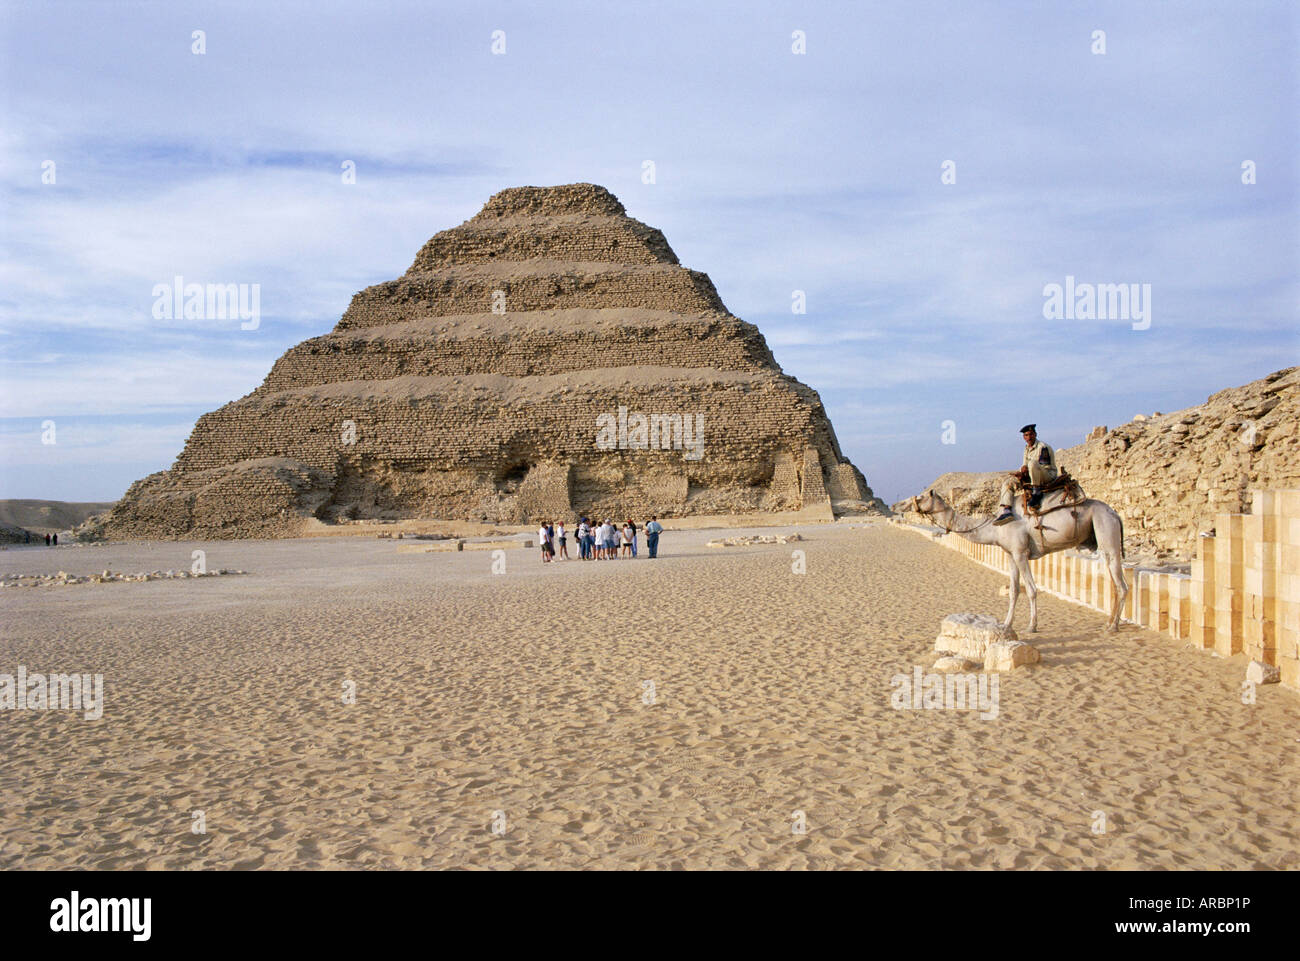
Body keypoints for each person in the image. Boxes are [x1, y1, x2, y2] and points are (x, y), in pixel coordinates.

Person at [994, 424, 1059, 525]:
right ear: (1023, 437)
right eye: (1026, 435)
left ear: (1035, 434)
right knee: (1008, 483)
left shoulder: (1043, 447)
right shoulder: (1026, 449)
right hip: (1032, 474)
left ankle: (1036, 492)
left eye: (1031, 434)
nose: (1029, 437)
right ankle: (1007, 510)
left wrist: (1027, 469)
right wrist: (1021, 472)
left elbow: (1043, 465)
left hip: (1046, 474)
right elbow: (1024, 465)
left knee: (1032, 463)